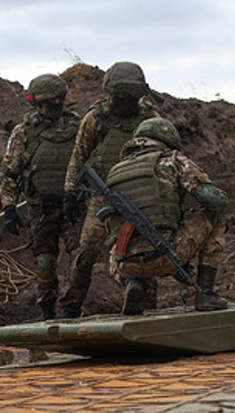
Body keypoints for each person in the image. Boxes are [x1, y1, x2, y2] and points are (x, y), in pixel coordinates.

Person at [59, 61, 159, 318]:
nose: (123, 103)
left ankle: (143, 302)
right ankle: (71, 306)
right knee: (86, 254)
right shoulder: (96, 119)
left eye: (129, 99)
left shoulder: (149, 119)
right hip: (102, 197)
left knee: (142, 251)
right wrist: (70, 191)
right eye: (120, 98)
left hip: (139, 197)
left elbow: (164, 156)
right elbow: (79, 156)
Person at [102, 117, 228, 315]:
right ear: (167, 139)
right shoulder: (172, 161)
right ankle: (205, 293)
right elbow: (214, 200)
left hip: (124, 264)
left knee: (120, 243)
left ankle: (133, 284)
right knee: (214, 214)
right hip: (167, 255)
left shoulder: (115, 172)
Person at [0, 74, 81, 319]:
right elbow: (9, 172)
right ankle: (48, 312)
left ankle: (72, 307)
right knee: (45, 261)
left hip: (74, 205)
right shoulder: (24, 131)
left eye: (57, 101)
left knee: (81, 256)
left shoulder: (78, 127)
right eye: (49, 102)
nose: (54, 106)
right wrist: (9, 207)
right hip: (41, 208)